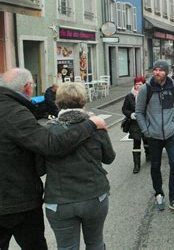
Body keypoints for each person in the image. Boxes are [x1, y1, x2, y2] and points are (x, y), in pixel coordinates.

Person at [0, 68, 107, 250]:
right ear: (27, 88)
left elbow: (42, 164)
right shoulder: (14, 112)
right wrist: (90, 125)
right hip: (16, 200)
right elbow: (51, 145)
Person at [38, 82, 115, 250]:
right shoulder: (96, 126)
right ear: (83, 102)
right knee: (95, 243)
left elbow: (39, 168)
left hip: (60, 201)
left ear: (57, 102)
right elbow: (109, 158)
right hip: (94, 195)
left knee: (66, 247)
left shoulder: (46, 131)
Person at [135, 60, 174, 215]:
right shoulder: (146, 89)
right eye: (155, 70)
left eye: (161, 70)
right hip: (154, 135)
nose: (157, 73)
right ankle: (159, 194)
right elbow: (139, 112)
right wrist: (146, 130)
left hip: (172, 134)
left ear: (167, 72)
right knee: (155, 166)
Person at [122, 76, 149, 174]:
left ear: (144, 84)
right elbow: (124, 109)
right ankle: (136, 164)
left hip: (146, 121)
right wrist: (130, 114)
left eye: (140, 84)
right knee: (136, 143)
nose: (138, 86)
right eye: (136, 84)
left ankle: (148, 155)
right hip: (135, 123)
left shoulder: (148, 94)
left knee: (147, 139)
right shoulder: (129, 96)